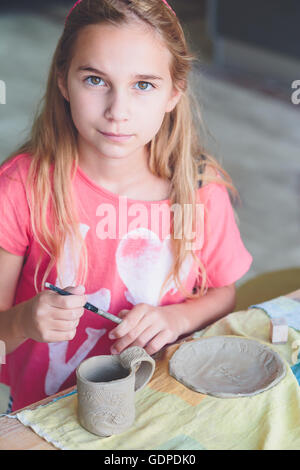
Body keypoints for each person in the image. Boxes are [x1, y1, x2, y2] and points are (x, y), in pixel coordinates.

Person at [0, 0, 252, 412]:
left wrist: (176, 320)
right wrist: (23, 322)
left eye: (143, 85)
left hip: (163, 409)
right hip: (45, 418)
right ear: (63, 80)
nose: (118, 112)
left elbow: (223, 294)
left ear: (174, 92)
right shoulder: (21, 187)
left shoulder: (199, 189)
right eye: (96, 80)